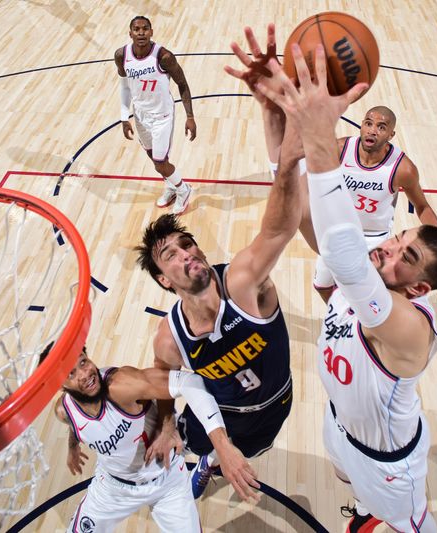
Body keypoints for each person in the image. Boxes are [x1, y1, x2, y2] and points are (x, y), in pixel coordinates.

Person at [254, 41, 437, 532]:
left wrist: (318, 128)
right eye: (400, 237)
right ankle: (365, 513)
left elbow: (344, 254)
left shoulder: (409, 326)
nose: (391, 248)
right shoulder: (366, 280)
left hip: (389, 462)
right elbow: (299, 207)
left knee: (414, 527)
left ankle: (386, 513)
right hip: (339, 425)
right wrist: (272, 114)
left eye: (405, 257)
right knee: (349, 484)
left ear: (418, 290)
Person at [135, 25, 302, 501]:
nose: (187, 254)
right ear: (165, 282)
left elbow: (278, 227)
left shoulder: (245, 283)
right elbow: (169, 383)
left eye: (188, 246)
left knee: (256, 449)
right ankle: (206, 457)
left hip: (277, 403)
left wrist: (279, 140)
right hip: (223, 420)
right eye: (171, 255)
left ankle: (214, 455)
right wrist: (166, 425)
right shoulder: (170, 337)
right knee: (194, 442)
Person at [47, 343, 257, 532]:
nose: (84, 374)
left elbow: (188, 381)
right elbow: (75, 425)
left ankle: (206, 460)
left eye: (83, 362)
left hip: (166, 480)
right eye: (71, 373)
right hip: (112, 487)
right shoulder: (63, 411)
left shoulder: (121, 385)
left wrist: (171, 429)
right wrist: (72, 447)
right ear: (61, 386)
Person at [309, 105, 437, 302]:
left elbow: (423, 207)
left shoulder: (403, 169)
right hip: (339, 231)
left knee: (370, 297)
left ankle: (367, 327)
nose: (372, 130)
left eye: (381, 127)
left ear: (391, 134)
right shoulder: (339, 149)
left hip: (374, 239)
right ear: (361, 125)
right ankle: (339, 318)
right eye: (368, 123)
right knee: (322, 285)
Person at [115, 15, 195, 215]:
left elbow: (182, 84)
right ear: (130, 32)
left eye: (145, 29)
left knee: (160, 163)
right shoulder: (121, 55)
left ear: (151, 32)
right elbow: (124, 86)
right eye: (136, 29)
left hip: (162, 115)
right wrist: (124, 117)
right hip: (140, 115)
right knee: (153, 157)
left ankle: (184, 190)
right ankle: (171, 186)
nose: (141, 32)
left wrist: (190, 117)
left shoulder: (164, 57)